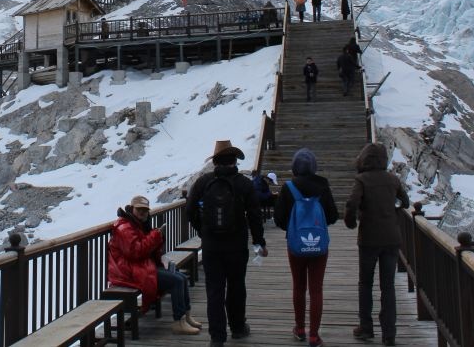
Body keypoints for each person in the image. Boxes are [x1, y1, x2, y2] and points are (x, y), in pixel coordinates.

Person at [187, 140, 267, 346]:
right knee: (236, 286)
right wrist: (259, 241)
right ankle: (238, 328)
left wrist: (203, 230)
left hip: (212, 246)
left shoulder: (203, 182)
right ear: (233, 160)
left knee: (214, 290)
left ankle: (217, 337)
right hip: (237, 245)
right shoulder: (244, 183)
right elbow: (255, 216)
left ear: (215, 162)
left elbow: (189, 210)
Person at [108, 195, 201, 335]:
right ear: (131, 208)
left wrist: (158, 238)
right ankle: (178, 321)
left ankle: (185, 317)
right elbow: (136, 252)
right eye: (139, 209)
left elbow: (147, 251)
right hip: (128, 271)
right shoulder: (124, 227)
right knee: (177, 281)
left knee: (180, 277)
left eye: (145, 210)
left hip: (140, 267)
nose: (142, 212)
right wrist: (155, 236)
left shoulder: (137, 224)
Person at [346, 144, 409, 346]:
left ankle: (366, 327)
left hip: (369, 238)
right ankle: (389, 333)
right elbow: (405, 202)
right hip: (391, 238)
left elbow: (352, 202)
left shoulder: (361, 180)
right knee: (387, 285)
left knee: (365, 283)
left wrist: (351, 221)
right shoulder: (392, 179)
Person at [274, 149, 339, 346]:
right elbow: (334, 215)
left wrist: (295, 228)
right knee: (316, 289)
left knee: (299, 286)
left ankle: (300, 328)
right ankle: (314, 335)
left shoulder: (289, 187)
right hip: (319, 244)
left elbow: (279, 219)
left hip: (295, 244)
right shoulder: (323, 186)